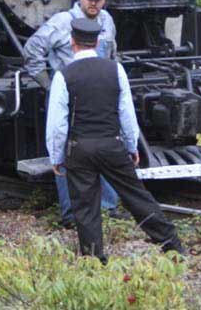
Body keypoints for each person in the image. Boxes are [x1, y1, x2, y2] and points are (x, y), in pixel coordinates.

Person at [45, 18, 184, 263]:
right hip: (112, 143)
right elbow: (127, 113)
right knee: (136, 196)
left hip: (80, 148)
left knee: (85, 208)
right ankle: (171, 244)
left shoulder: (63, 75)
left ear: (72, 43)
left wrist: (56, 156)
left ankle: (95, 259)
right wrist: (131, 146)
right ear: (97, 42)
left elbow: (57, 123)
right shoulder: (115, 70)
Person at [25, 0, 119, 226]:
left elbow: (112, 55)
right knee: (66, 151)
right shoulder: (61, 23)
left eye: (99, 0)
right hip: (70, 96)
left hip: (101, 95)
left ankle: (107, 208)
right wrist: (48, 85)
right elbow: (32, 50)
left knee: (108, 145)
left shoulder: (107, 21)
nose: (94, 4)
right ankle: (71, 213)